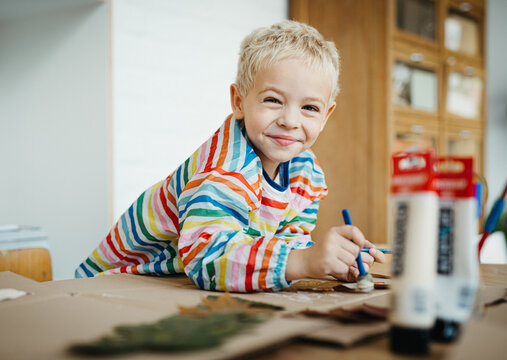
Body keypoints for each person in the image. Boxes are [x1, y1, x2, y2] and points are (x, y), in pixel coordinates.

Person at [75, 20, 385, 291]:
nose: (290, 120)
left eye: (309, 108)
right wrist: (302, 262)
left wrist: (333, 260)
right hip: (112, 284)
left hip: (176, 283)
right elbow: (207, 261)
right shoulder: (226, 170)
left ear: (326, 115)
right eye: (273, 100)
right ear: (239, 101)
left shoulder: (307, 173)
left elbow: (288, 243)